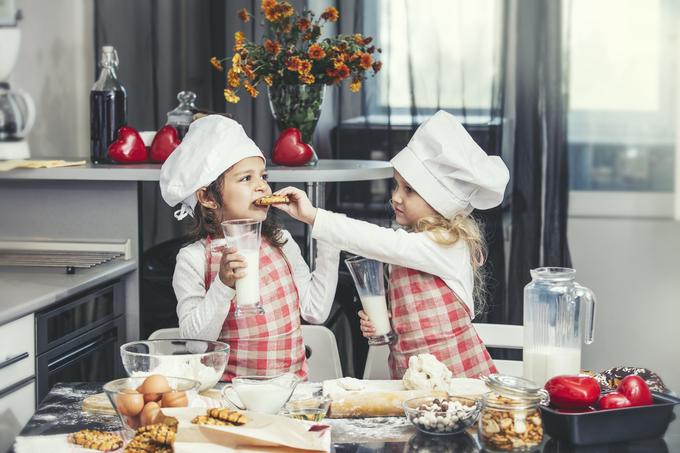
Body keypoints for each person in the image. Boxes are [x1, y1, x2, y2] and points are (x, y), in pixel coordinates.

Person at [273, 110, 509, 379]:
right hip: (413, 382)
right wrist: (387, 323)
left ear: (439, 199)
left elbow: (380, 242)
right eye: (395, 185)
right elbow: (415, 317)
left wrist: (314, 216)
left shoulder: (447, 246)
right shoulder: (410, 243)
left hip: (458, 381)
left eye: (409, 190)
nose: (395, 197)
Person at [159, 115, 339, 381]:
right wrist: (222, 285)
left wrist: (327, 235)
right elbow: (196, 344)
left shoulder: (281, 241)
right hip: (230, 397)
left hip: (292, 394)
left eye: (263, 176)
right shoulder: (193, 258)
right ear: (208, 197)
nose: (262, 186)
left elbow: (315, 311)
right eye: (246, 178)